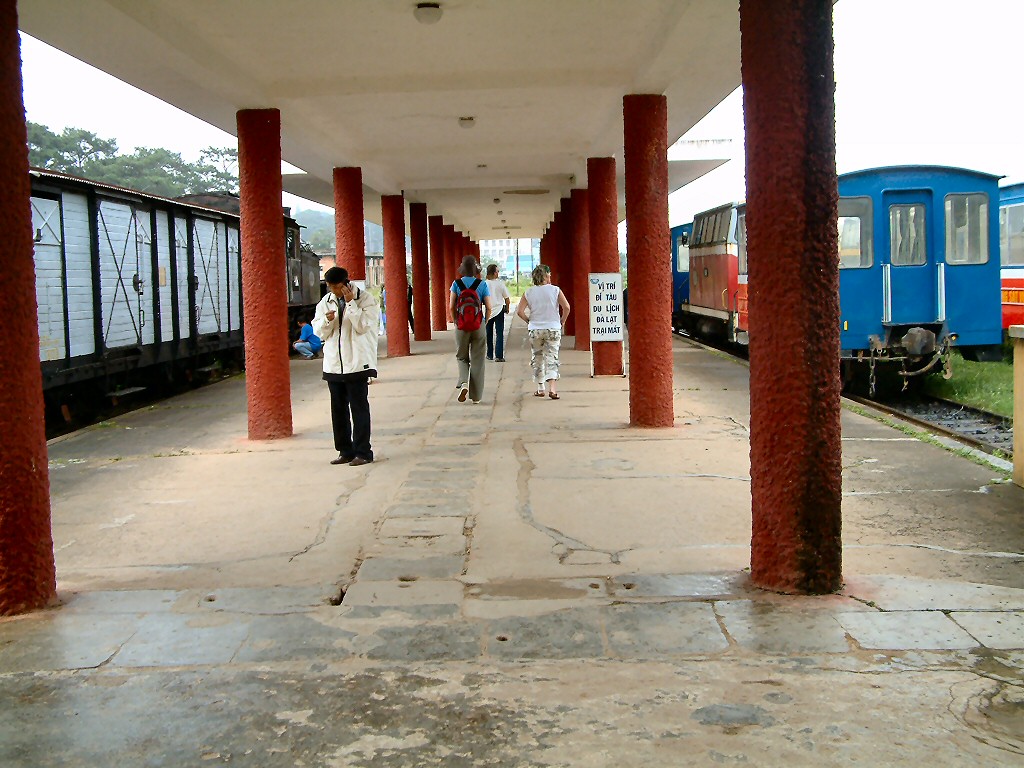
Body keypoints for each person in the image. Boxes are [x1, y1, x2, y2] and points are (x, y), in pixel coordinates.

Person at [313, 266, 380, 466]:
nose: (333, 290)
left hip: (357, 364)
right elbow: (320, 333)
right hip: (334, 364)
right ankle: (345, 450)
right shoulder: (325, 303)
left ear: (346, 283)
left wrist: (351, 304)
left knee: (359, 409)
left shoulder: (366, 299)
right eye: (330, 286)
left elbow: (363, 327)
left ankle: (363, 452)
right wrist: (327, 320)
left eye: (336, 286)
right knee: (338, 410)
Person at [517, 264, 570, 400]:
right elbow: (566, 307)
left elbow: (520, 311)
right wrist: (561, 321)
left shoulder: (528, 292)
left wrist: (529, 321)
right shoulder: (555, 290)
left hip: (535, 329)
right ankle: (552, 389)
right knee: (552, 357)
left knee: (538, 356)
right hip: (553, 327)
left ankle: (540, 388)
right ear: (546, 276)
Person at [449, 255, 492, 404]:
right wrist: (484, 322)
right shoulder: (482, 284)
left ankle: (464, 382)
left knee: (461, 356)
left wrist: (456, 321)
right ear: (476, 270)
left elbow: (451, 306)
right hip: (478, 324)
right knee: (478, 360)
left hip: (461, 325)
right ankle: (476, 397)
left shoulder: (456, 283)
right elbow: (489, 307)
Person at [484, 263, 511, 362]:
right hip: (499, 310)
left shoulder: (484, 284)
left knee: (488, 333)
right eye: (497, 271)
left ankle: (489, 354)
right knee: (499, 333)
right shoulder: (500, 284)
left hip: (487, 311)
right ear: (494, 273)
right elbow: (507, 299)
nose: (498, 273)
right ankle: (499, 356)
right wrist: (507, 308)